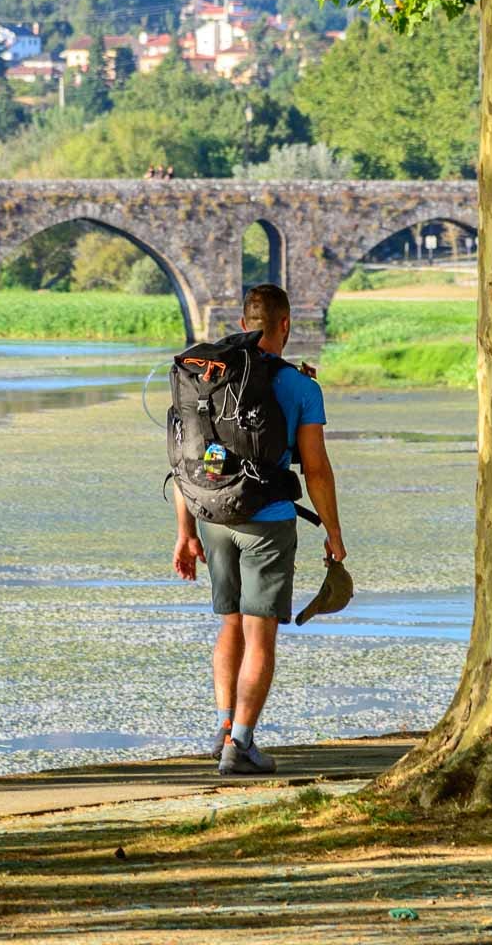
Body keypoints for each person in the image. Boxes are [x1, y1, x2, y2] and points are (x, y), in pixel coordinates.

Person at [172, 283, 343, 776]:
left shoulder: (208, 378)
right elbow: (316, 469)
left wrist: (184, 532)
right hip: (267, 521)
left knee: (230, 624)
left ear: (244, 325)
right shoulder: (300, 387)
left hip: (213, 519)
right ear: (286, 324)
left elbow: (187, 461)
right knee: (260, 632)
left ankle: (224, 728)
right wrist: (333, 533)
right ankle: (242, 745)